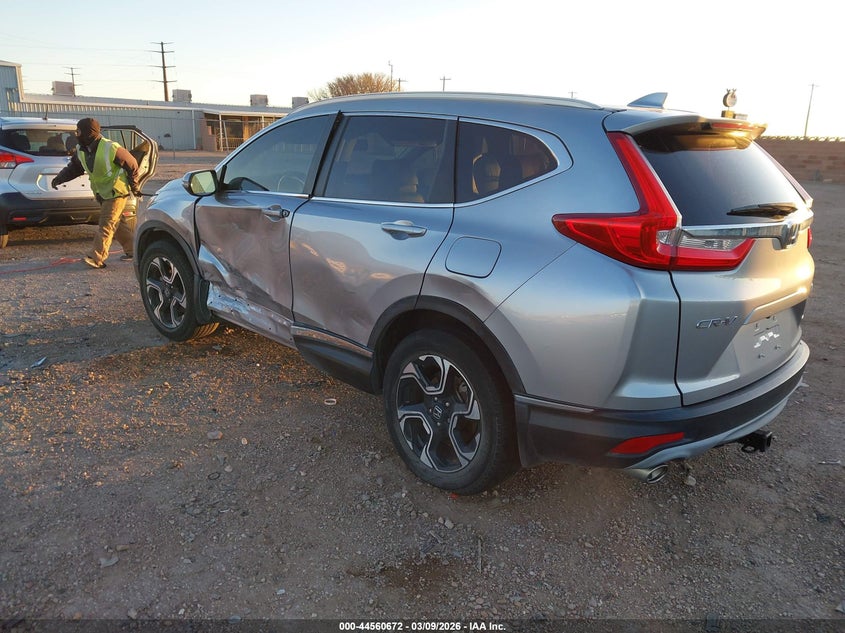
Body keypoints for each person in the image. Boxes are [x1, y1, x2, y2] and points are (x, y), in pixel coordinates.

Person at [51, 118, 141, 268]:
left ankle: (96, 257)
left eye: (78, 131)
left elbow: (132, 165)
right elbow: (74, 168)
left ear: (88, 132)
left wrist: (135, 186)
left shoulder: (111, 147)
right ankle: (135, 251)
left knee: (106, 224)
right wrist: (59, 179)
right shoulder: (81, 150)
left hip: (116, 192)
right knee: (117, 224)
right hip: (102, 193)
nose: (76, 134)